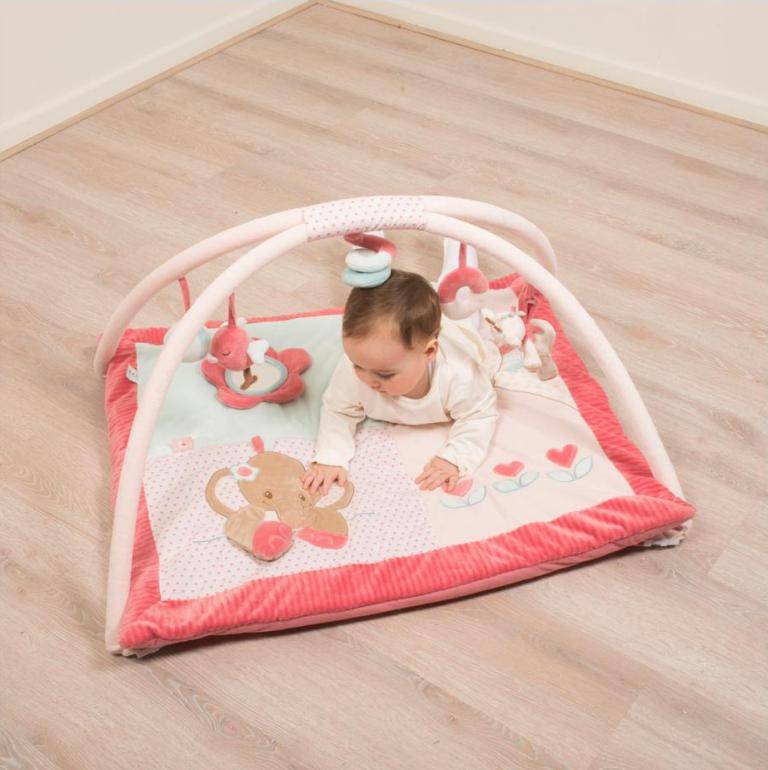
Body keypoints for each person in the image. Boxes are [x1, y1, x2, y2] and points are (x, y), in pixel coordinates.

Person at [301, 268, 501, 495]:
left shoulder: (460, 375)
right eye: (357, 364)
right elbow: (338, 410)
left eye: (385, 375)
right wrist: (331, 457)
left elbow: (479, 415)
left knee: (471, 321)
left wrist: (454, 458)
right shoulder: (356, 368)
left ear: (429, 353)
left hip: (460, 336)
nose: (368, 380)